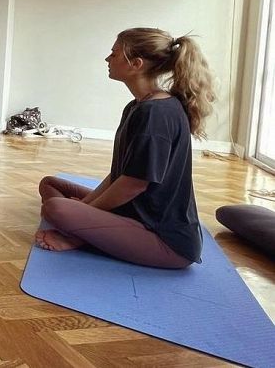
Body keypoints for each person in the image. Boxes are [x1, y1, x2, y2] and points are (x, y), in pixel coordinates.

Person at [34, 28, 215, 269]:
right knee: (50, 184)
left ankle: (80, 237)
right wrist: (86, 206)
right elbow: (120, 175)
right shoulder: (138, 106)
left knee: (56, 208)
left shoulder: (157, 114)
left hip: (165, 241)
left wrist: (80, 216)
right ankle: (89, 226)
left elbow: (133, 185)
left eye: (114, 54)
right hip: (131, 214)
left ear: (136, 64)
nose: (108, 59)